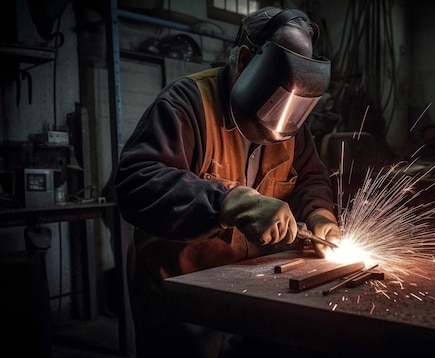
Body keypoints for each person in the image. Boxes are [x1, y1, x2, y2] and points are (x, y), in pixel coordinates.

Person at [114, 6, 340, 358]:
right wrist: (227, 202)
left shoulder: (291, 120)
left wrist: (320, 214)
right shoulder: (186, 103)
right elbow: (136, 183)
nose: (282, 111)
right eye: (275, 94)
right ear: (247, 59)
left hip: (257, 293)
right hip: (185, 300)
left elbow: (311, 176)